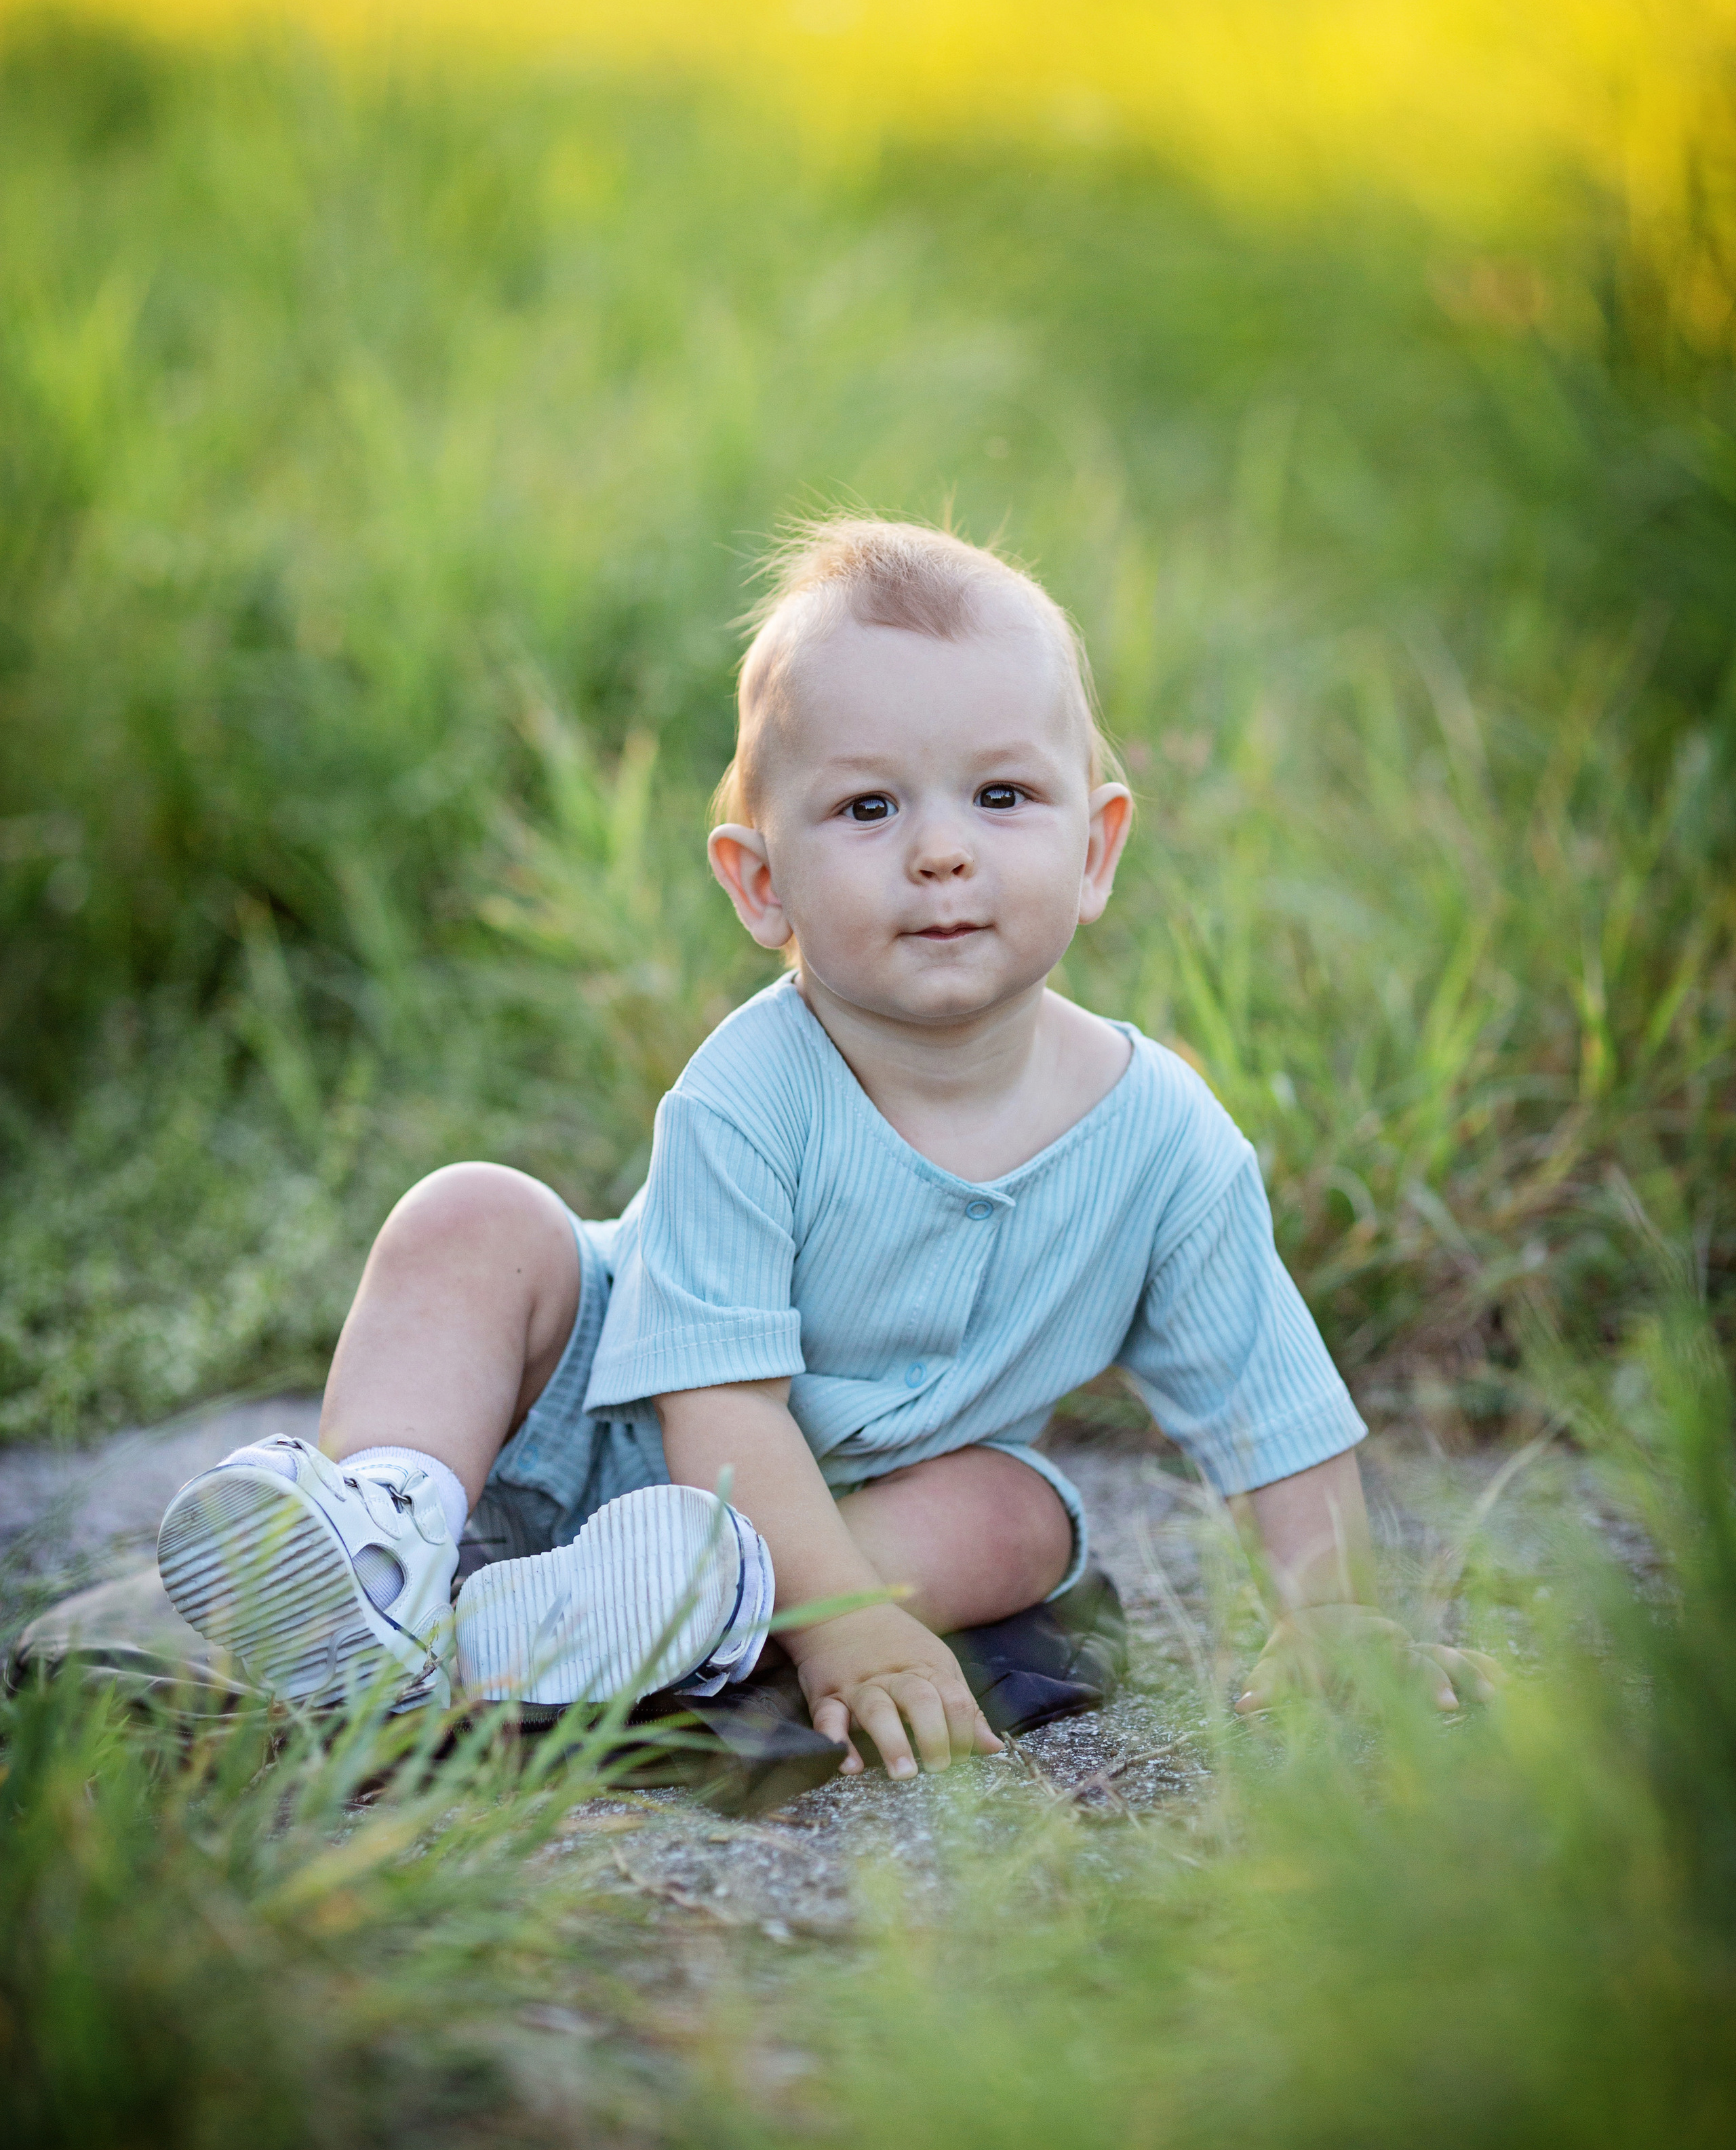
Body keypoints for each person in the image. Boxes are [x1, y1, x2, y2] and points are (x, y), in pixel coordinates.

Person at [159, 517, 1495, 1770]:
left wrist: (1329, 1611)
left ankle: (621, 1612)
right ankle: (386, 1540)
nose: (939, 854)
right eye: (868, 810)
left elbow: (1264, 1395)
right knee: (472, 1219)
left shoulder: (1161, 1143)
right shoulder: (749, 1092)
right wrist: (843, 1620)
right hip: (581, 1420)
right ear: (760, 883)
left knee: (1021, 1519)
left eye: (1001, 797)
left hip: (843, 1510)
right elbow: (719, 1401)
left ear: (1095, 851)